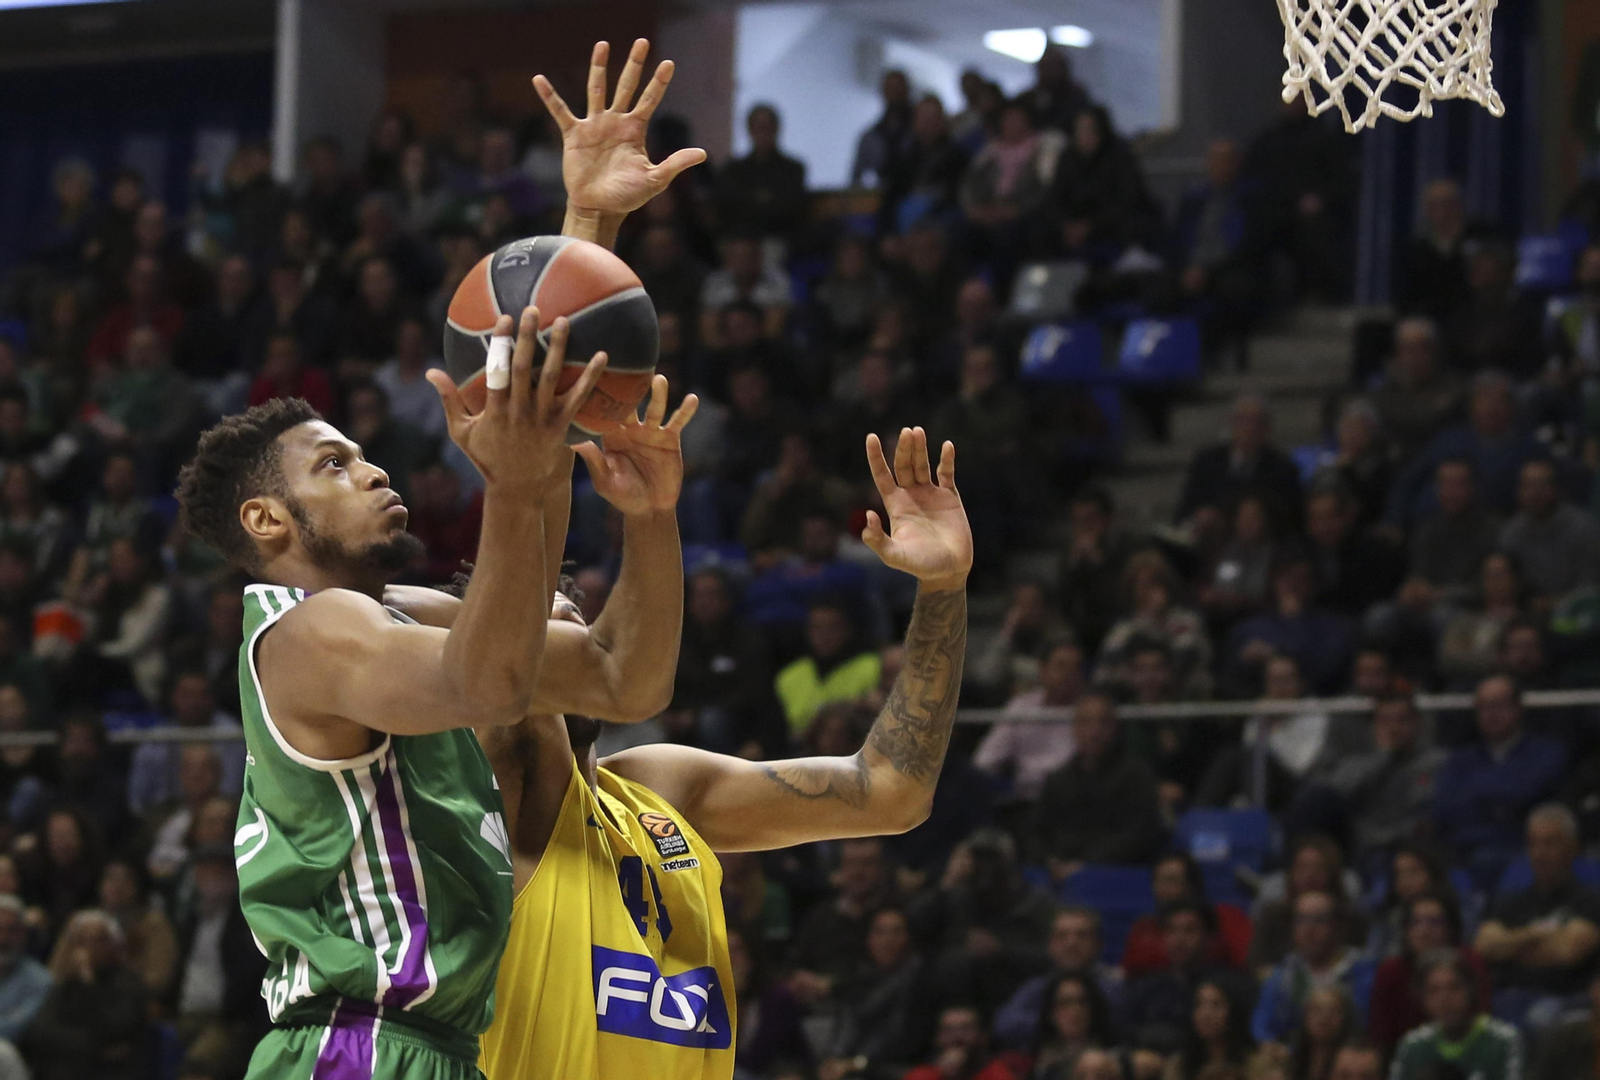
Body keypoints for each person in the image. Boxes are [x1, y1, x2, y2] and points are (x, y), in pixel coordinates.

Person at [471, 46, 974, 1080]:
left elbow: (890, 791)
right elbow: (531, 482)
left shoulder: (663, 789)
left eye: (569, 598)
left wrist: (941, 592)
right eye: (547, 604)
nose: (564, 600)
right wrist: (587, 229)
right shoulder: (492, 788)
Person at [1473, 804, 1600, 1029]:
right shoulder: (1509, 901)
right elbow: (1485, 946)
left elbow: (1568, 951)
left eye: (1550, 843)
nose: (1539, 853)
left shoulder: (1590, 900)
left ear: (1572, 848)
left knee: (1540, 1018)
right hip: (1507, 995)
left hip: (1563, 999)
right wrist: (1539, 934)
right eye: (1533, 843)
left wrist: (1511, 945)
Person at [1433, 676, 1567, 886]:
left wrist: (1476, 794)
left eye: (1498, 705)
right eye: (1484, 707)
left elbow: (1522, 794)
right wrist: (1497, 798)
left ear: (1517, 708)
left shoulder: (1546, 752)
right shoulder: (1460, 759)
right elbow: (1444, 807)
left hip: (1521, 848)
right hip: (1464, 849)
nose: (1491, 714)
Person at [1032, 692, 1164, 874]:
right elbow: (1038, 831)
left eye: (1103, 723)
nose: (1093, 732)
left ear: (1115, 727)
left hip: (1117, 874)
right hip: (1060, 873)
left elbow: (1139, 834)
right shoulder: (1058, 779)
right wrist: (1050, 860)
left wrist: (1088, 866)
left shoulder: (1136, 776)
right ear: (1074, 728)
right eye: (1085, 722)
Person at [21, 909, 148, 1080]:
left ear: (115, 944)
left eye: (98, 940)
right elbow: (38, 1031)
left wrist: (89, 982)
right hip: (66, 1067)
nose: (89, 947)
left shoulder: (129, 983)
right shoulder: (69, 983)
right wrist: (93, 1048)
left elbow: (115, 1029)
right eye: (82, 940)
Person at [1122, 900, 1255, 1055]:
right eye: (1171, 930)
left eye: (1190, 930)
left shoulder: (1233, 987)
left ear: (1209, 937)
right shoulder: (1145, 988)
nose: (1179, 939)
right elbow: (1125, 1036)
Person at [1368, 892, 1491, 1055]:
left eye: (1434, 922)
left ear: (1450, 927)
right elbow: (1381, 1036)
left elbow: (1482, 1020)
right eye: (1415, 922)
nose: (1424, 931)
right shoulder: (1391, 972)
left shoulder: (1469, 963)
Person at [1251, 891, 1376, 1043]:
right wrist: (1272, 1046)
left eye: (1319, 920)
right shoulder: (1284, 975)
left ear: (1337, 925)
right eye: (1301, 920)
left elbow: (1368, 1025)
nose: (1309, 929)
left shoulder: (1362, 971)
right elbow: (1262, 1027)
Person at [993, 907, 1123, 1051]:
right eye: (1062, 936)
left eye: (1082, 935)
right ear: (1051, 945)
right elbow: (1004, 1025)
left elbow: (1121, 1026)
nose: (1071, 943)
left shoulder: (1115, 988)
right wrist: (1057, 1025)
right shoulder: (1036, 987)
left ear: (1098, 944)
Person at [973, 639, 1083, 801]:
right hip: (1025, 797)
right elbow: (986, 760)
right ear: (1043, 670)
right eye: (1061, 666)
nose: (1068, 674)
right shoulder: (1021, 706)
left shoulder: (1089, 709)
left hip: (1073, 797)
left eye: (1075, 668)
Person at [1389, 951, 1523, 1080]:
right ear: (1421, 997)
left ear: (1471, 989)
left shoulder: (1502, 1041)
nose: (1445, 999)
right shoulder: (1413, 1046)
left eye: (1454, 987)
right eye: (1434, 990)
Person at [1124, 854, 1253, 978]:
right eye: (1158, 881)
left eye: (1171, 880)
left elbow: (1248, 960)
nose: (1163, 889)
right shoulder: (1144, 927)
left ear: (1191, 885)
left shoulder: (1226, 917)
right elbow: (1129, 969)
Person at [1497, 458, 1600, 608]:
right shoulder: (1511, 533)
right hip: (1524, 613)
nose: (1535, 492)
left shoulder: (1583, 529)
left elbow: (1590, 589)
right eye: (1528, 485)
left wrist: (1552, 603)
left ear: (1557, 488)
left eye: (1542, 484)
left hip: (1575, 613)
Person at [1029, 972, 1119, 1080]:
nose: (1075, 1011)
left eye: (1082, 1002)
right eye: (1065, 1003)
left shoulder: (1112, 1058)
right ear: (1050, 1013)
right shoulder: (1036, 1061)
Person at [901, 1005, 1026, 1080]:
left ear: (982, 1037)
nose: (957, 1037)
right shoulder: (922, 1075)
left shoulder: (998, 1075)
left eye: (966, 1029)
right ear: (937, 1038)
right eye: (949, 1030)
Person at [1164, 979, 1257, 1080]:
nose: (1206, 1014)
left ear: (1233, 1010)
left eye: (1216, 1005)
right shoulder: (1179, 1065)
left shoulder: (1254, 1062)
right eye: (1199, 1005)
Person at [0, 895, 50, 1041]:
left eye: (12, 930)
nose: (3, 939)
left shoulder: (40, 981)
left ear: (24, 934)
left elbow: (20, 1027)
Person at [1284, 986, 1356, 1080]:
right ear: (1305, 1016)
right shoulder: (1291, 1058)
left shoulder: (1353, 1061)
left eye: (1333, 1011)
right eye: (1317, 1010)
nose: (1325, 1017)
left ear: (1344, 1018)